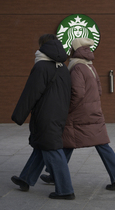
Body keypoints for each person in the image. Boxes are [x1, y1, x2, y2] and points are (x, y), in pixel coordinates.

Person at [40, 37, 115, 191]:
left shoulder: (77, 67)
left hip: (80, 113)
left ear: (75, 50)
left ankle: (54, 174)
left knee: (66, 141)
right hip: (93, 110)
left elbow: (77, 93)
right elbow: (99, 90)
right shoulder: (90, 66)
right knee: (99, 144)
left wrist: (68, 109)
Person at [11, 34, 75, 200]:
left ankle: (65, 190)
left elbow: (30, 94)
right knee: (41, 146)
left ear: (42, 47)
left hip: (45, 116)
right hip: (59, 115)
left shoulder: (41, 67)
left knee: (53, 150)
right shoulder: (63, 68)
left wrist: (18, 116)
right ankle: (25, 179)